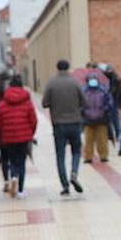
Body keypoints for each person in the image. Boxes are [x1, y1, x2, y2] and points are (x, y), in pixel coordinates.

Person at [41, 59, 86, 195]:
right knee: (76, 151)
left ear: (57, 68)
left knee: (60, 155)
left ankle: (65, 185)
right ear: (68, 68)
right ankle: (74, 173)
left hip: (59, 124)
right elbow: (84, 101)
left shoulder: (51, 83)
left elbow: (44, 103)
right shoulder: (75, 83)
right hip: (75, 122)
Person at [0, 75, 37, 199]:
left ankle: (13, 177)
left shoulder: (2, 103)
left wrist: (0, 136)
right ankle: (21, 190)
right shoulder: (27, 102)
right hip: (24, 137)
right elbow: (33, 120)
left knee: (12, 160)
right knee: (21, 162)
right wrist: (30, 133)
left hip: (8, 138)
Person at [81, 71, 115, 164]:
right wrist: (84, 111)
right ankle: (88, 156)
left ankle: (103, 156)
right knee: (88, 139)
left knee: (102, 139)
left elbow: (110, 102)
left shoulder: (103, 90)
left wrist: (105, 109)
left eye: (94, 79)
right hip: (88, 119)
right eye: (91, 79)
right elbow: (80, 103)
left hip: (101, 118)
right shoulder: (84, 91)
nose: (93, 81)